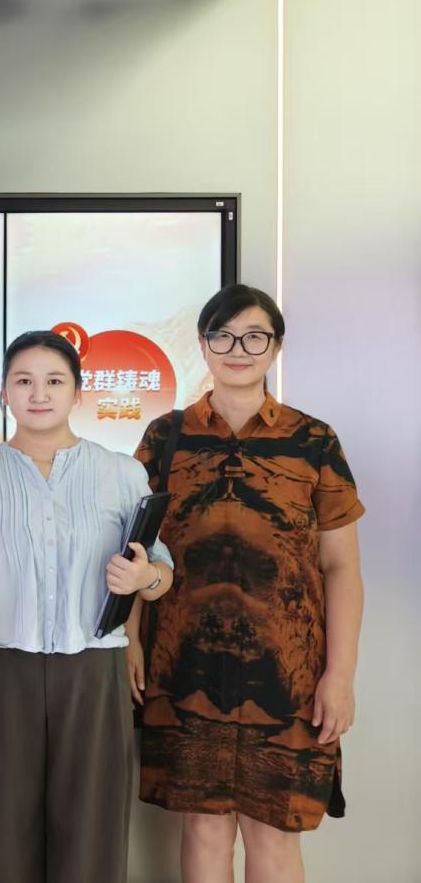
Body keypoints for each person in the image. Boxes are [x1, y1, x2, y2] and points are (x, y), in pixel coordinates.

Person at [126, 285, 365, 883]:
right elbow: (133, 549)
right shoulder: (165, 437)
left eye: (255, 336)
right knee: (203, 829)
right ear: (203, 345)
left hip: (288, 674)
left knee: (275, 832)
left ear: (275, 347)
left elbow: (341, 567)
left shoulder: (314, 442)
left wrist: (339, 674)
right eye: (224, 336)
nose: (239, 349)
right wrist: (130, 641)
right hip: (183, 666)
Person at [0, 330, 174, 883]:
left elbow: (160, 573)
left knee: (93, 833)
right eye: (23, 381)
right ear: (4, 393)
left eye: (54, 380)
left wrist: (145, 577)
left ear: (78, 391)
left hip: (94, 669)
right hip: (0, 670)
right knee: (2, 832)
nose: (39, 393)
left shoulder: (121, 473)